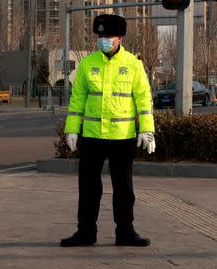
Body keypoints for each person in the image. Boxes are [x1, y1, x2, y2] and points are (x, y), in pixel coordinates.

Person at [60, 14, 156, 248]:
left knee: (123, 188)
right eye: (100, 36)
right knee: (88, 188)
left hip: (122, 137)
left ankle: (125, 232)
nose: (103, 39)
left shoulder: (133, 64)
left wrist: (147, 130)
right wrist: (72, 130)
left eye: (108, 36)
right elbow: (77, 100)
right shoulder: (87, 64)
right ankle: (85, 232)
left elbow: (143, 99)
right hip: (92, 136)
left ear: (120, 38)